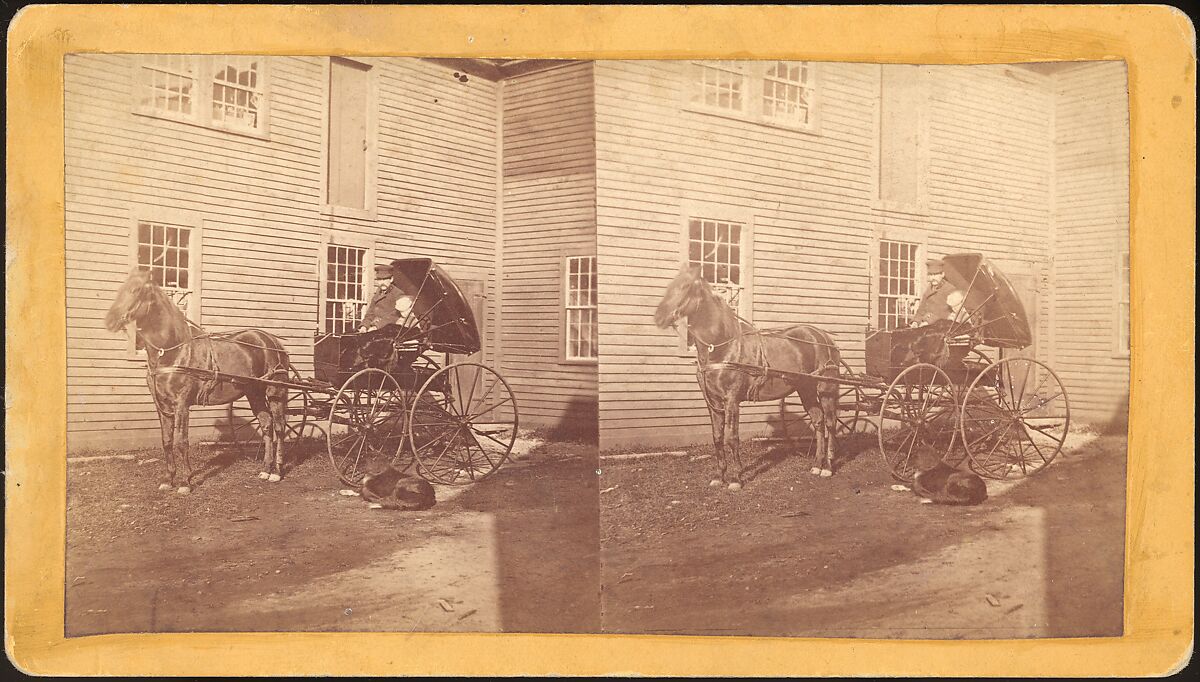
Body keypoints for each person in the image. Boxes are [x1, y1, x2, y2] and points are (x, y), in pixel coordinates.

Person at [357, 262, 416, 333]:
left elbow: (395, 315)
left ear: (391, 279)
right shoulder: (377, 294)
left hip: (388, 329)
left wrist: (377, 327)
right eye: (379, 279)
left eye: (385, 279)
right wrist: (364, 326)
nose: (382, 282)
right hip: (374, 326)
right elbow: (370, 314)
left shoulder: (398, 294)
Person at [910, 256, 965, 328]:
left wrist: (929, 321)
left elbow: (954, 314)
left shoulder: (950, 290)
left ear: (942, 274)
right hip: (925, 326)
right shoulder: (928, 289)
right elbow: (921, 310)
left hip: (941, 328)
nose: (932, 278)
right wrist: (915, 322)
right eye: (930, 275)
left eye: (935, 274)